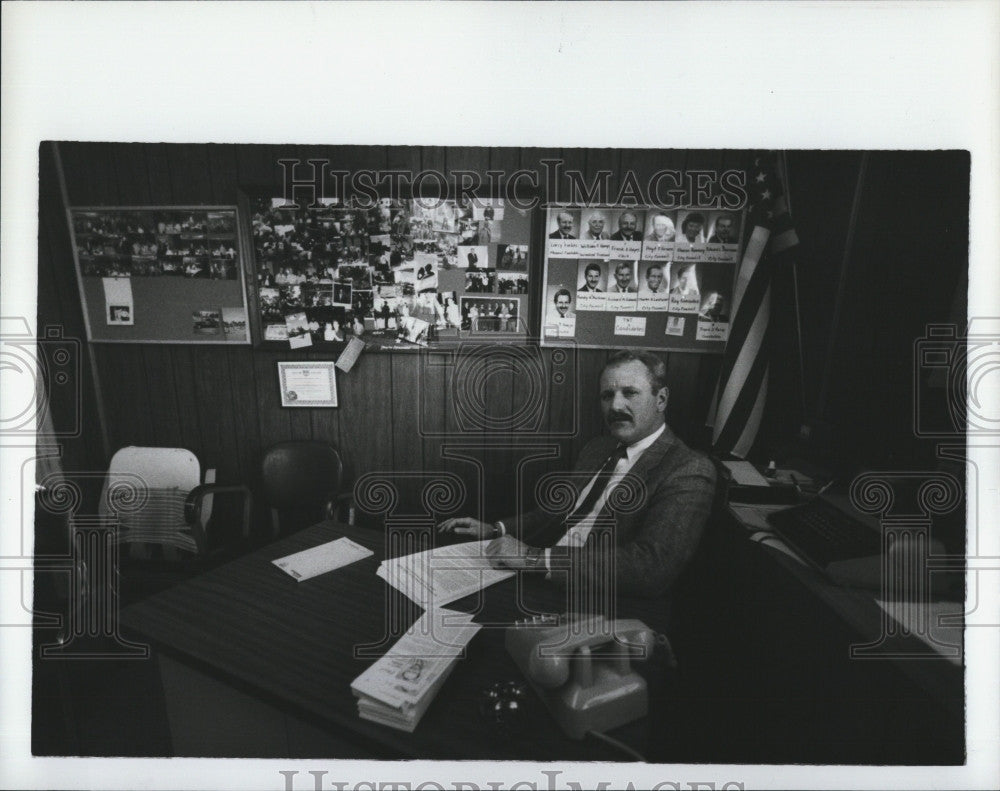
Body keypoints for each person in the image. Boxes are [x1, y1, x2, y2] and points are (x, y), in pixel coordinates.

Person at [438, 350, 716, 599]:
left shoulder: (688, 470)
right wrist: (495, 529)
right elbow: (554, 514)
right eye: (607, 395)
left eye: (630, 393)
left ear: (661, 399)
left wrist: (534, 558)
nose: (615, 407)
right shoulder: (598, 448)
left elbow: (651, 568)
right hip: (539, 577)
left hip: (600, 600)